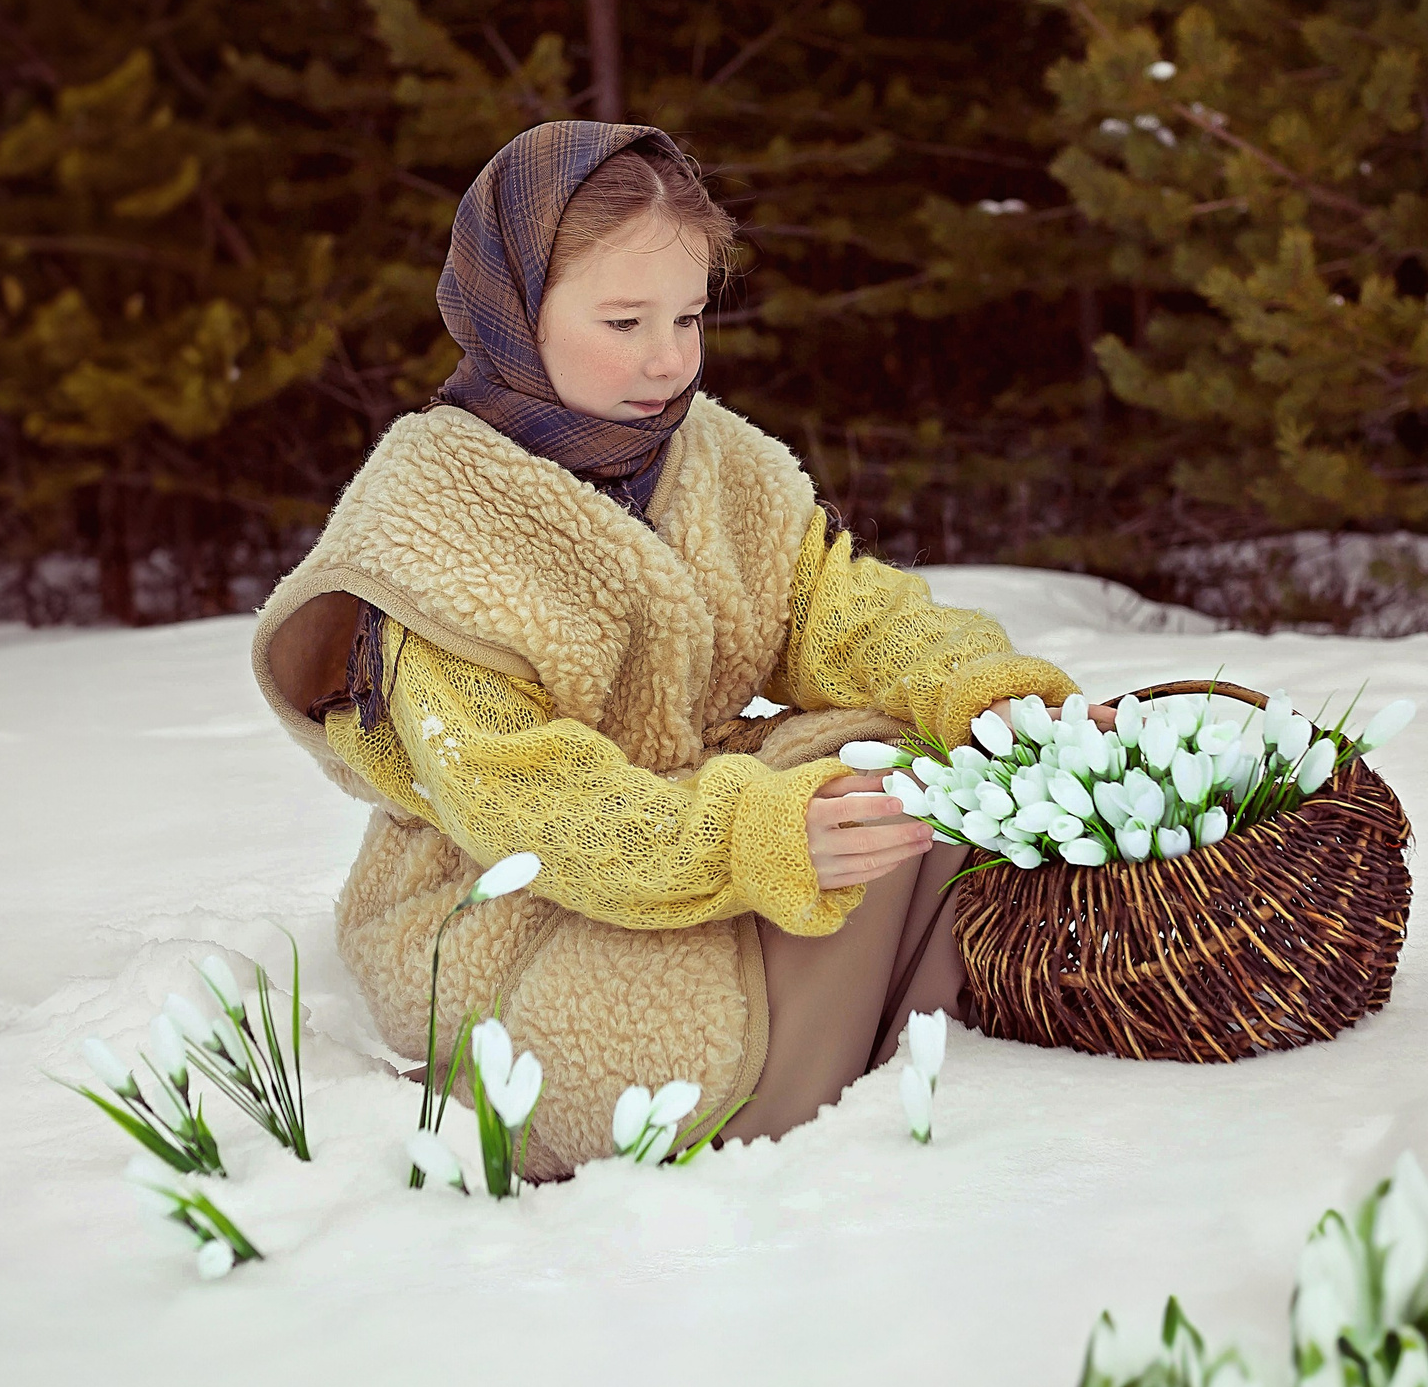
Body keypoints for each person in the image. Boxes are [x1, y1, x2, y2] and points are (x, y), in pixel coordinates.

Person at [252, 120, 1088, 1177]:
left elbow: (839, 610)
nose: (668, 358)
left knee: (904, 762)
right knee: (831, 852)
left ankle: (927, 1052)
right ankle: (780, 1120)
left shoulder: (710, 460)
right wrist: (761, 838)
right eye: (623, 319)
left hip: (688, 817)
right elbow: (540, 809)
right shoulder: (434, 532)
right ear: (514, 313)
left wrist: (978, 691)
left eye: (688, 316)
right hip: (513, 907)